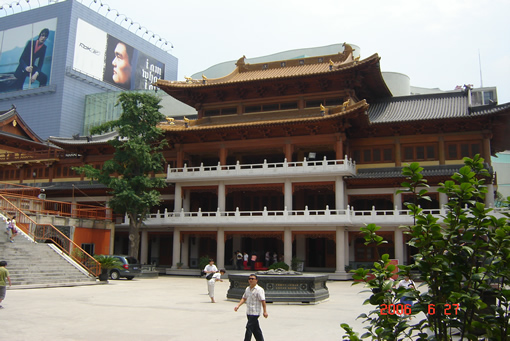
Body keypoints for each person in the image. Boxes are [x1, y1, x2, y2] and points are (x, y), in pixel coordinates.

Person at [234, 274, 268, 341]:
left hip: (255, 312)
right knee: (256, 329)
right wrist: (238, 306)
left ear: (256, 280)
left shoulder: (259, 290)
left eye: (252, 279)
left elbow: (263, 301)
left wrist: (265, 311)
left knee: (249, 327)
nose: (251, 280)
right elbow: (244, 298)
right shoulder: (247, 289)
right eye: (249, 279)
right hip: (249, 312)